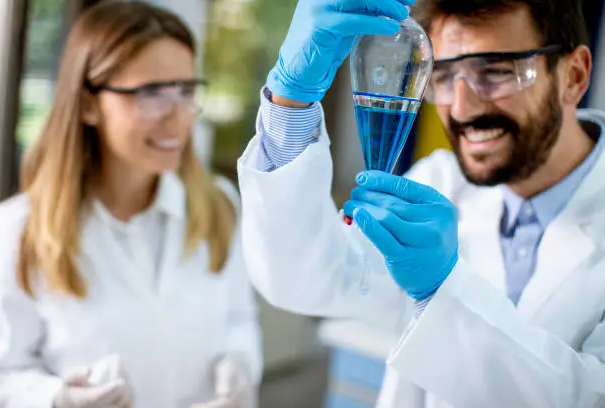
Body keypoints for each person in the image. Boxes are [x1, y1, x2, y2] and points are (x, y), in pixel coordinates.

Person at [237, 0, 605, 406]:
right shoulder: (440, 182)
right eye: (444, 77)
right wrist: (289, 104)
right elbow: (307, 279)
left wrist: (441, 291)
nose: (461, 108)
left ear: (574, 75)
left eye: (497, 71)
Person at [0, 2, 261, 408]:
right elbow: (2, 376)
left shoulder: (219, 209)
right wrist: (56, 399)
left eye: (187, 91)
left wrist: (242, 361)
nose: (179, 118)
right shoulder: (17, 231)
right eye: (151, 93)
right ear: (87, 104)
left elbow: (240, 323)